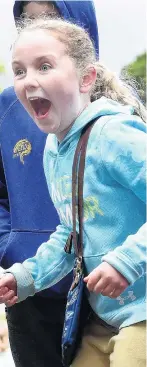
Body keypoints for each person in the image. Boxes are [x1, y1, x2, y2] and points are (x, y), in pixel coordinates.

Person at [1, 17, 146, 367]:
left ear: (87, 78)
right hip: (106, 316)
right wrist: (23, 278)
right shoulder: (55, 150)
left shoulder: (115, 134)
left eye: (45, 66)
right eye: (18, 71)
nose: (29, 80)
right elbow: (71, 233)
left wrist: (128, 261)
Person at [0, 2, 99, 367]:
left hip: (103, 293)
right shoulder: (11, 106)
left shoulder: (114, 112)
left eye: (53, 16)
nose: (40, 28)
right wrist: (9, 246)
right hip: (29, 287)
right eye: (29, 20)